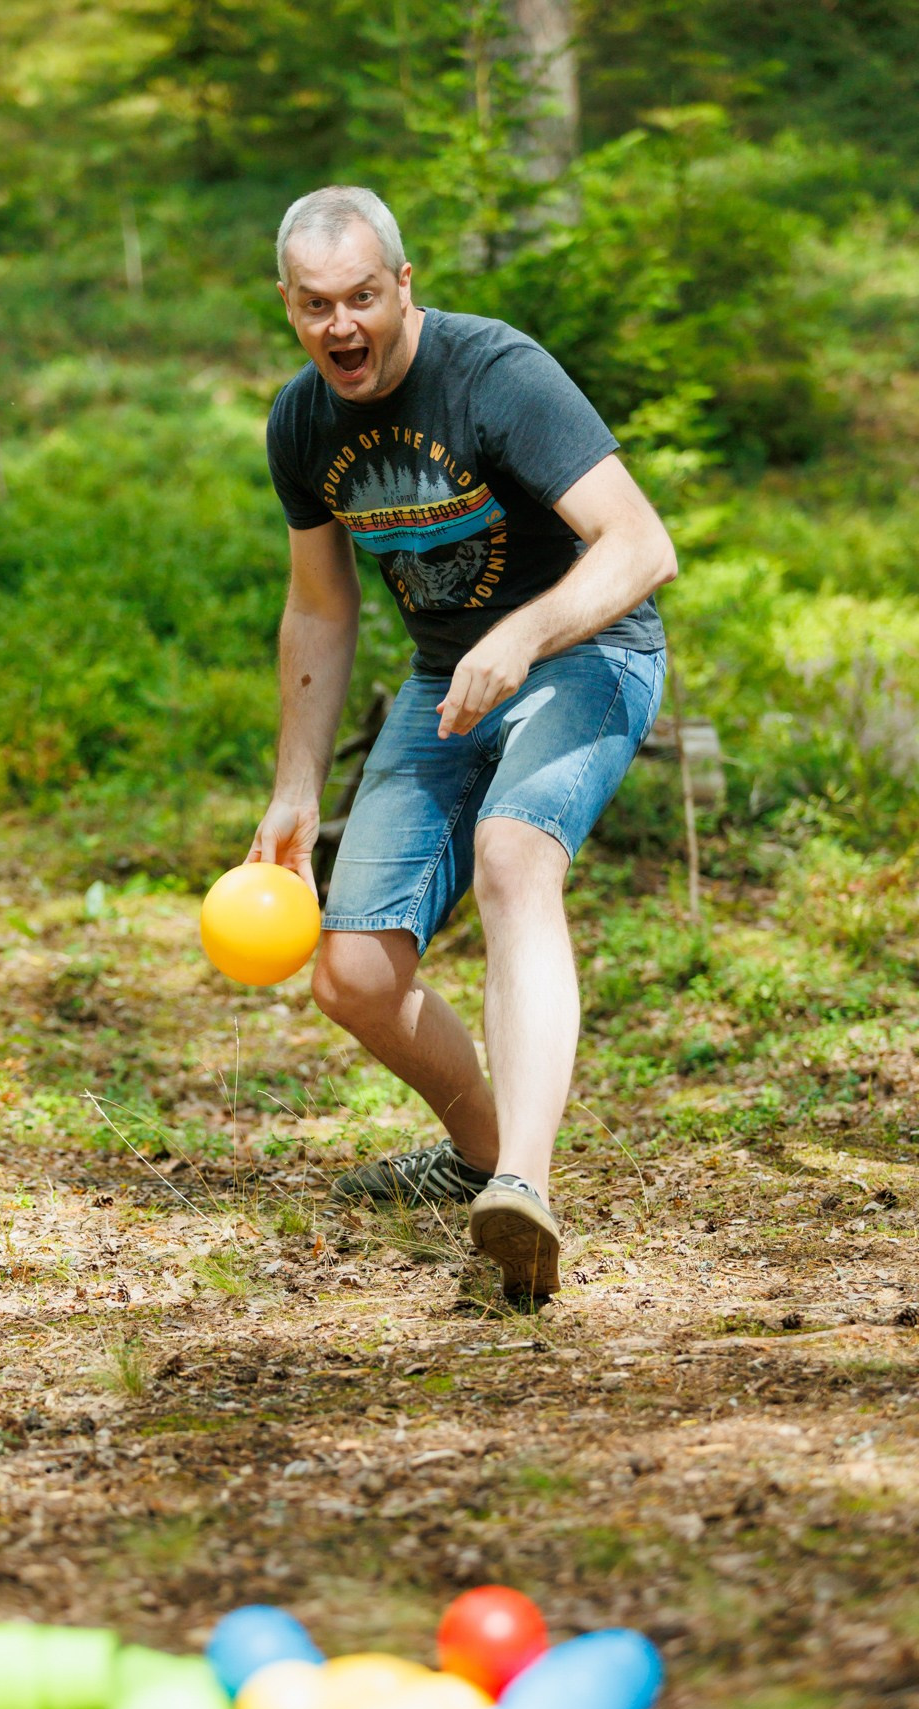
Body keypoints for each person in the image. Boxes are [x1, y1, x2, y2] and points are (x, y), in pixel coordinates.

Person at [248, 185, 677, 1308]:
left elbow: (639, 545)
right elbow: (320, 607)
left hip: (588, 652)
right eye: (312, 305)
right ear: (287, 307)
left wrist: (524, 634)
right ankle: (482, 1163)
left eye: (358, 298)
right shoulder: (299, 423)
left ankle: (525, 1187)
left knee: (511, 857)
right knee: (350, 974)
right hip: (446, 683)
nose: (339, 326)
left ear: (401, 286)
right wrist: (296, 785)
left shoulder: (494, 375)